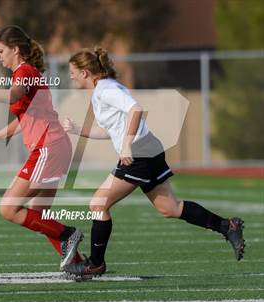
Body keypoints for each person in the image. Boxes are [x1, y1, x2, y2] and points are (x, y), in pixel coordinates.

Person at [62, 47, 245, 278]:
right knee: (170, 208)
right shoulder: (103, 89)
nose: (71, 76)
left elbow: (136, 109)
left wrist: (127, 144)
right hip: (148, 148)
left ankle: (96, 264)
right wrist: (79, 130)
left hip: (139, 152)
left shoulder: (105, 90)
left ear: (85, 72)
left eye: (72, 72)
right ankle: (228, 226)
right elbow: (110, 130)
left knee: (98, 204)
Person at [0, 25, 83, 270]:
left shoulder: (24, 71)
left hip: (49, 148)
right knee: (40, 215)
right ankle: (79, 265)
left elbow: (14, 96)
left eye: (0, 50)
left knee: (8, 208)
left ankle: (69, 234)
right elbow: (24, 118)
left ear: (15, 49)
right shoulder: (27, 71)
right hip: (55, 146)